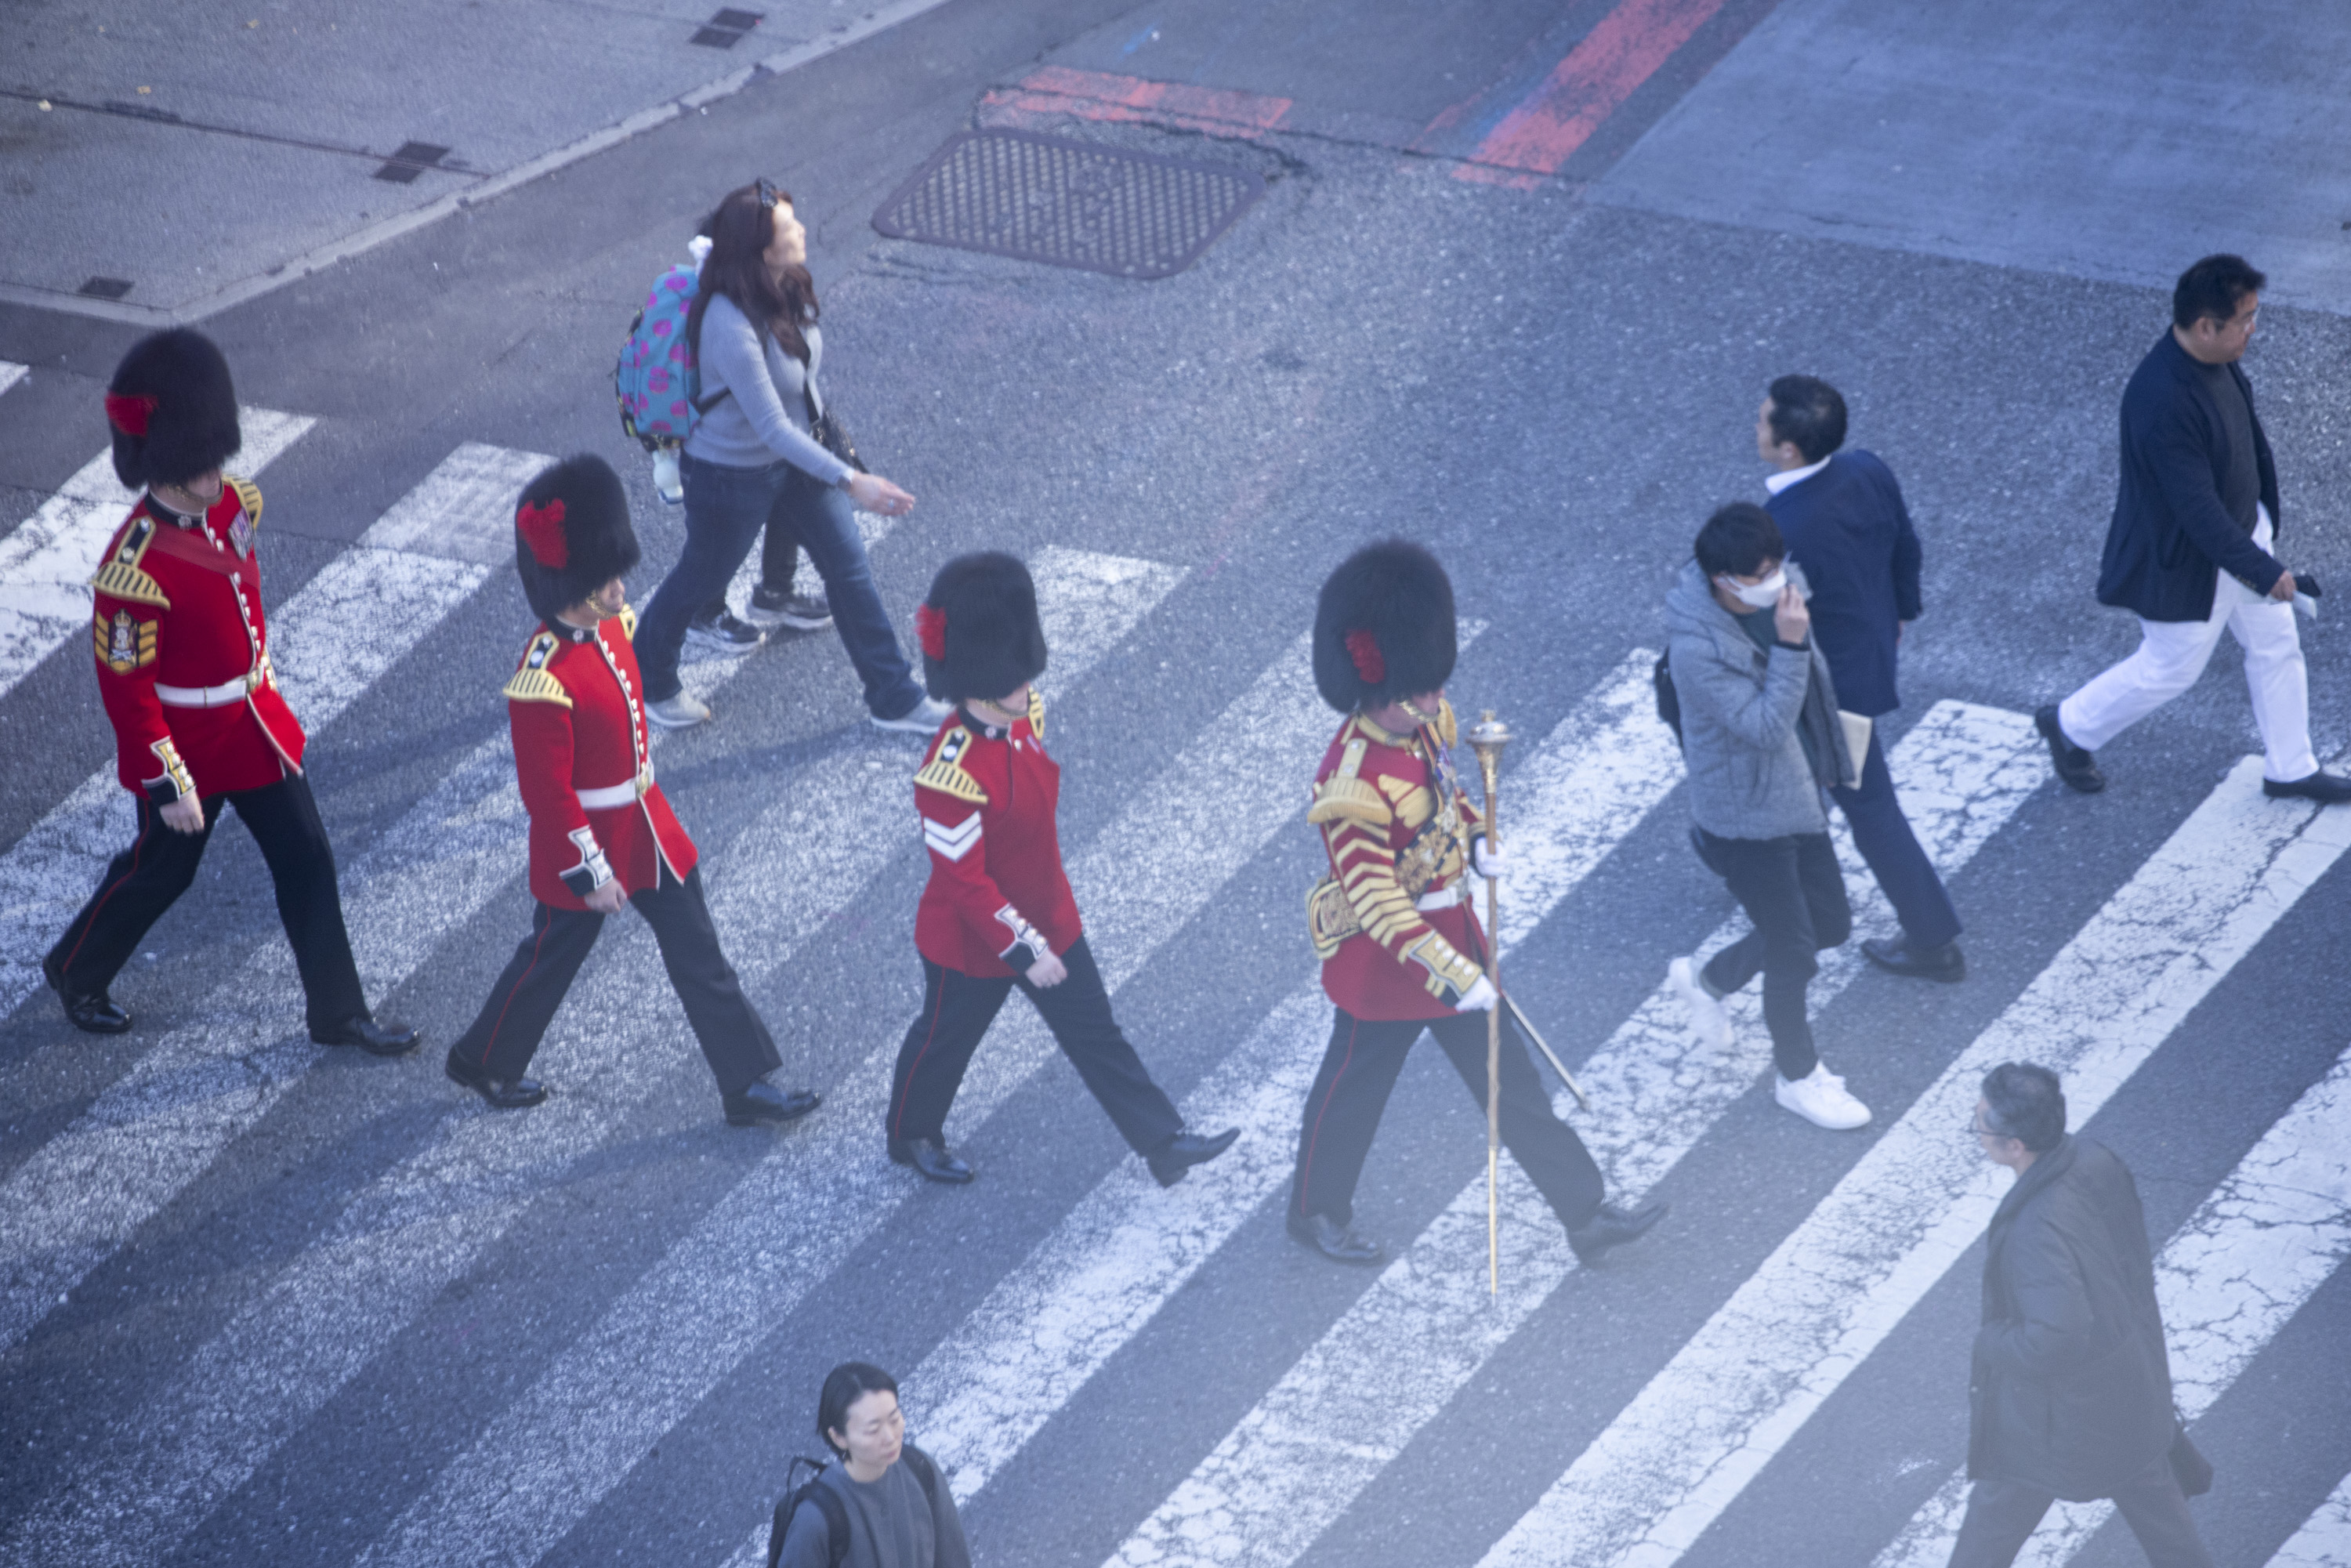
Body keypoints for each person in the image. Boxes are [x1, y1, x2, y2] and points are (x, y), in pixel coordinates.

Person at [1288, 540, 1662, 1266]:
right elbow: (1377, 903)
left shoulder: (1424, 721)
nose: (1434, 702)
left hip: (1454, 935)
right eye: (1418, 691)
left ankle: (1584, 1213)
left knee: (1513, 1087)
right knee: (1351, 1095)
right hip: (1392, 968)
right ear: (1374, 680)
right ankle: (1314, 1210)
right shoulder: (1349, 782)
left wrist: (1480, 836)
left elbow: (1447, 794)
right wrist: (1454, 974)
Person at [43, 329, 415, 1055]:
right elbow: (129, 692)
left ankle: (338, 1013)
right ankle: (76, 967)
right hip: (186, 748)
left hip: (252, 727)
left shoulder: (233, 506)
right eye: (196, 466)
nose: (214, 475)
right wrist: (166, 778)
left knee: (307, 855)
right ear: (162, 464)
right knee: (161, 871)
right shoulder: (133, 571)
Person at [444, 454, 820, 1128]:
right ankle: (484, 1057)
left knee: (699, 951)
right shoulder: (541, 677)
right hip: (591, 842)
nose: (618, 587)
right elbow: (550, 797)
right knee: (550, 959)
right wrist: (589, 871)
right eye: (603, 578)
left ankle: (746, 1083)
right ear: (572, 581)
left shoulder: (611, 624)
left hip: (647, 827)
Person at [887, 552, 1237, 1186]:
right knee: (945, 1041)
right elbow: (966, 884)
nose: (1027, 689)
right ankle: (911, 1132)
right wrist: (1025, 949)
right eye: (1012, 684)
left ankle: (1164, 1142)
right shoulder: (949, 775)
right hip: (974, 943)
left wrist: (1044, 933)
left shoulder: (1025, 718)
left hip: (1049, 916)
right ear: (975, 685)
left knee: (1097, 1034)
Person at [633, 179, 949, 737]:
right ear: (760, 250)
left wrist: (833, 447)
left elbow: (801, 385)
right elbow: (772, 427)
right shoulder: (727, 322)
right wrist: (854, 480)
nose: (802, 231)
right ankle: (650, 680)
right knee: (700, 576)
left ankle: (893, 696)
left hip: (797, 461)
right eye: (788, 228)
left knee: (849, 570)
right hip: (729, 475)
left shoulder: (788, 283)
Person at [2038, 254, 2351, 803]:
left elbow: (2241, 442)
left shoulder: (2214, 356)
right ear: (2206, 325)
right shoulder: (2163, 402)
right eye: (2246, 320)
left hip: (2239, 535)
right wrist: (2262, 567)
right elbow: (2196, 512)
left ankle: (2291, 766)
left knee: (2276, 644)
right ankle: (2069, 726)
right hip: (2191, 560)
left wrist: (2260, 529)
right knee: (2171, 668)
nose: (2252, 329)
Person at [1662, 504, 1873, 1131]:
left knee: (1830, 922)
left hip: (1795, 798)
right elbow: (1763, 725)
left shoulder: (1780, 592)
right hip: (1745, 820)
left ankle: (1709, 979)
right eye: (1760, 572)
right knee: (1794, 950)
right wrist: (1790, 645)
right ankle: (1798, 1075)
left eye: (1777, 564)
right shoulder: (1696, 650)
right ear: (1723, 581)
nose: (1777, 579)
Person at [1952, 1063, 2212, 1568]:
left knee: (1995, 1517)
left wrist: (1991, 1340)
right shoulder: (2094, 1160)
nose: (1977, 1131)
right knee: (2161, 1516)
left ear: (2014, 1146)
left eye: (1981, 1124)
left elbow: (2054, 1338)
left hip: (2057, 1419)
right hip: (2129, 1384)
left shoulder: (2036, 1230)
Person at [1757, 375, 1964, 983]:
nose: (1757, 423)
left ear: (1789, 447)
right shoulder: (1866, 469)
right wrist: (1900, 612)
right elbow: (1907, 545)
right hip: (1867, 658)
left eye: (1765, 419)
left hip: (1828, 692)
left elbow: (1779, 621)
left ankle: (1933, 938)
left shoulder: (1783, 527)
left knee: (1870, 806)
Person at [768, 1362, 970, 1568]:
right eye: (872, 1430)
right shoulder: (815, 1520)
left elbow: (954, 1559)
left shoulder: (922, 1470)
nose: (890, 1437)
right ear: (838, 1437)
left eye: (894, 1419)